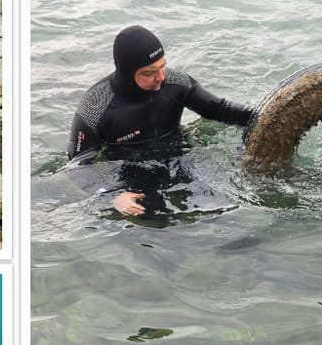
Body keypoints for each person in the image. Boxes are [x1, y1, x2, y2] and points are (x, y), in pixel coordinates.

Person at [66, 24, 254, 215]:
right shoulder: (95, 106)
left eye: (162, 66)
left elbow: (220, 109)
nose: (161, 77)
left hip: (183, 157)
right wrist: (112, 195)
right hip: (132, 173)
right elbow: (79, 165)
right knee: (158, 228)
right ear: (127, 73)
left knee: (225, 209)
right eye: (149, 73)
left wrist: (259, 116)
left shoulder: (176, 82)